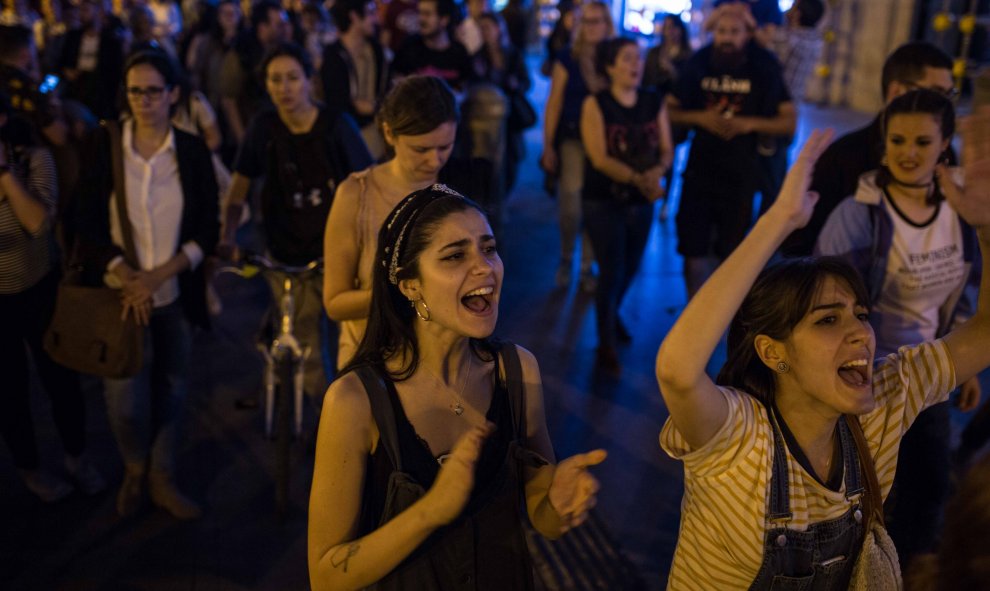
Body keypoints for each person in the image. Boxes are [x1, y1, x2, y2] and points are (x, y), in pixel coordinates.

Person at [654, 120, 990, 588]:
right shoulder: (739, 438)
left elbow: (985, 331)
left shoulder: (884, 402)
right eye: (828, 320)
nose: (860, 334)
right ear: (772, 352)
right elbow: (677, 371)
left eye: (860, 314)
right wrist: (778, 222)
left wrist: (985, 228)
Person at [308, 184, 606, 590]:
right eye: (454, 256)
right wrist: (430, 510)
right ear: (409, 285)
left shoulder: (517, 371)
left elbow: (541, 515)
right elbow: (325, 576)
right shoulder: (355, 401)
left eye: (489, 248)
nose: (485, 268)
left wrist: (558, 501)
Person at [815, 89, 982, 569]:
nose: (908, 152)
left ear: (944, 144)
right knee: (864, 504)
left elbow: (967, 291)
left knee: (927, 493)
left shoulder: (960, 211)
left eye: (922, 142)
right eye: (898, 140)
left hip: (932, 377)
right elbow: (825, 307)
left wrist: (967, 367)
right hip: (868, 385)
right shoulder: (859, 215)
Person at [74, 49, 219, 520]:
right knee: (124, 400)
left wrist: (162, 273)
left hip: (174, 294)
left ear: (173, 94)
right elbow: (85, 221)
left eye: (153, 91)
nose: (142, 100)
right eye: (135, 90)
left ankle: (161, 475)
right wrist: (125, 273)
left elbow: (208, 230)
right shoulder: (106, 145)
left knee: (173, 388)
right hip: (120, 295)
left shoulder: (191, 151)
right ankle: (135, 466)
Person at [219, 42, 372, 399]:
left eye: (292, 78)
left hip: (337, 253)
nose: (284, 88)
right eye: (275, 80)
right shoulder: (263, 127)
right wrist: (227, 234)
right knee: (304, 339)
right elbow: (239, 186)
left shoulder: (336, 125)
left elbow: (367, 183)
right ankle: (324, 420)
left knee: (348, 339)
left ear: (309, 81)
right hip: (282, 248)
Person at [0, 93, 105, 502]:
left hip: (42, 287)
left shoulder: (34, 160)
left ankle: (77, 457)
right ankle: (30, 470)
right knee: (9, 391)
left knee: (61, 377)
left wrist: (6, 173)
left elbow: (38, 223)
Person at [323, 75, 456, 369]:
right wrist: (407, 293)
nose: (435, 161)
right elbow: (335, 302)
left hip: (445, 358)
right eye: (421, 149)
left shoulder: (458, 189)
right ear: (389, 133)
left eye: (445, 147)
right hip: (375, 359)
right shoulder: (357, 195)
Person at [667, 2, 794, 298]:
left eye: (734, 32)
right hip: (699, 171)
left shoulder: (764, 65)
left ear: (747, 33)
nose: (726, 38)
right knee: (692, 249)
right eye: (721, 31)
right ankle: (693, 310)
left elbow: (789, 121)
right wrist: (700, 118)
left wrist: (747, 123)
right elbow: (669, 111)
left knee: (733, 254)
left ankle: (723, 316)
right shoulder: (698, 62)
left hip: (741, 176)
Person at [781, 41, 955, 257]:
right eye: (937, 95)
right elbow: (800, 246)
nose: (946, 106)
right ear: (896, 92)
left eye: (950, 95)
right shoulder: (843, 158)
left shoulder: (945, 155)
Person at [579, 37, 672, 376]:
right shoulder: (596, 104)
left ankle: (611, 314)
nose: (635, 65)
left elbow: (666, 149)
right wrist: (642, 179)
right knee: (612, 270)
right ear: (610, 67)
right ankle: (606, 343)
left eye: (638, 58)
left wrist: (657, 173)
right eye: (627, 59)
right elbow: (599, 158)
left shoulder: (652, 101)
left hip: (640, 200)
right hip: (603, 199)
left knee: (631, 267)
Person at [541, 0, 613, 291]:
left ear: (608, 25)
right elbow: (554, 102)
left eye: (598, 21)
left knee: (597, 205)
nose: (592, 27)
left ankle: (587, 266)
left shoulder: (614, 57)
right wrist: (548, 145)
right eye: (588, 21)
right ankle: (567, 255)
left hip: (607, 143)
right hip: (573, 139)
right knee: (571, 202)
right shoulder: (568, 57)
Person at [323, 0, 389, 160]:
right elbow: (336, 103)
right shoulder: (333, 56)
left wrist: (374, 107)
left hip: (380, 136)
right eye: (371, 13)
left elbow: (385, 89)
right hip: (347, 139)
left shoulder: (376, 49)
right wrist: (359, 107)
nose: (376, 19)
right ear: (354, 17)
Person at [473, 11, 529, 193]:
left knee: (511, 158)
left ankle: (503, 195)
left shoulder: (512, 54)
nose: (484, 32)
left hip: (510, 115)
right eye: (481, 28)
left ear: (498, 29)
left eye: (488, 27)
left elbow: (526, 81)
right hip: (486, 116)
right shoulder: (478, 56)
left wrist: (516, 84)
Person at [643, 13, 691, 220]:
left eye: (674, 27)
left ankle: (665, 202)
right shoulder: (653, 53)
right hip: (653, 111)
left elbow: (688, 88)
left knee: (668, 156)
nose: (670, 31)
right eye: (667, 27)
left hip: (674, 118)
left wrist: (672, 72)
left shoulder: (687, 56)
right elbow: (645, 82)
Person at [391, 0, 473, 92]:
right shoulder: (409, 47)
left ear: (444, 20)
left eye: (427, 14)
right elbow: (396, 82)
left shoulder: (459, 52)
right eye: (420, 13)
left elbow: (466, 89)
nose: (421, 19)